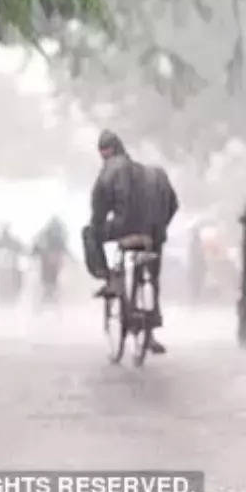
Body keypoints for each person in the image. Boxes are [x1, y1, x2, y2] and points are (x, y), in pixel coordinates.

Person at [86, 130, 178, 353]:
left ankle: (106, 277)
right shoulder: (155, 173)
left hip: (123, 228)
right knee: (151, 277)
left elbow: (98, 206)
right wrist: (159, 228)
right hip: (153, 234)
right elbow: (173, 204)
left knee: (89, 232)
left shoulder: (112, 167)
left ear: (105, 151)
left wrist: (99, 224)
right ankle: (151, 328)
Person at [31, 216, 70, 305]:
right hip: (45, 263)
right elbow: (36, 246)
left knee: (54, 281)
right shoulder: (44, 236)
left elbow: (64, 248)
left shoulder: (59, 238)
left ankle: (51, 297)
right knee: (43, 281)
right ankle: (43, 299)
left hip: (54, 265)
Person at [0, 223, 24, 302]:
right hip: (0, 266)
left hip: (11, 267)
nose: (5, 232)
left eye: (6, 230)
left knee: (19, 274)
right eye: (4, 230)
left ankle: (17, 291)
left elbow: (22, 249)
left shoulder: (12, 241)